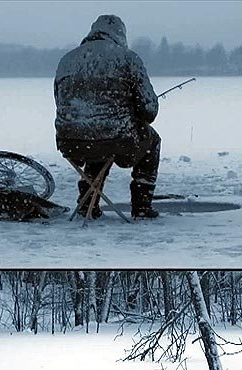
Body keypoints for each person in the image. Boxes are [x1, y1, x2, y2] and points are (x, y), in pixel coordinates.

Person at [54, 14, 161, 219]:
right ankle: (142, 207)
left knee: (97, 138)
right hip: (116, 140)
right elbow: (149, 110)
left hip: (70, 142)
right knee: (150, 140)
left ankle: (87, 203)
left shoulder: (67, 60)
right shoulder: (128, 58)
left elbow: (59, 102)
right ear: (121, 35)